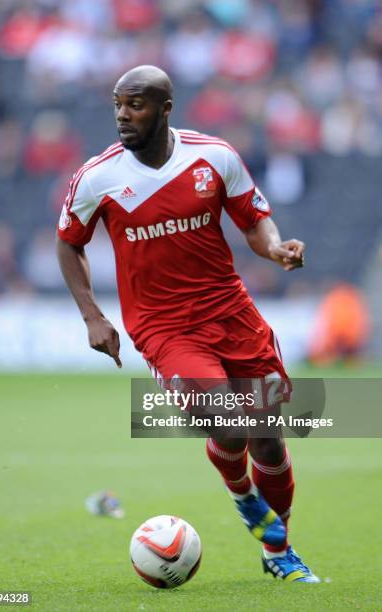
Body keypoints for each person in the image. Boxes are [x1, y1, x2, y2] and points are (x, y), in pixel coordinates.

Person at [56, 65, 319, 583]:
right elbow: (69, 242)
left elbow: (253, 219)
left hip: (232, 312)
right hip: (164, 327)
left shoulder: (214, 157)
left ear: (166, 107)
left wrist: (275, 249)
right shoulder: (97, 176)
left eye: (136, 105)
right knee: (225, 420)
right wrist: (93, 315)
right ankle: (243, 497)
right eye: (118, 105)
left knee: (266, 436)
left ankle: (277, 549)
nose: (123, 116)